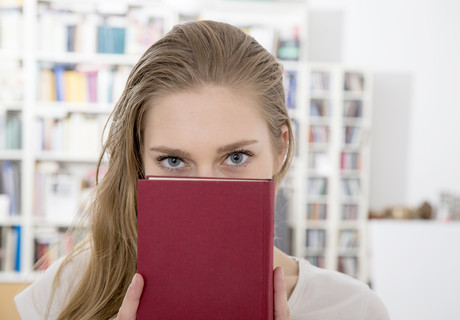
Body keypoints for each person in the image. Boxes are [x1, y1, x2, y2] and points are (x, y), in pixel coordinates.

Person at [15, 20, 390, 319]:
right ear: (140, 162)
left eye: (237, 157)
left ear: (281, 149)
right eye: (174, 161)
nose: (207, 191)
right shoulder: (71, 287)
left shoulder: (353, 309)